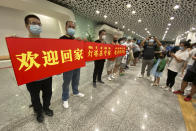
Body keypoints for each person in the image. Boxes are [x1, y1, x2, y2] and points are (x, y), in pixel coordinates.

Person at [0, 14, 54, 123]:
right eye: (33, 23)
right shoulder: (21, 43)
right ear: (27, 26)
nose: (37, 26)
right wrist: (14, 44)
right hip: (31, 78)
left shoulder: (47, 43)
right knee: (35, 97)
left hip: (47, 77)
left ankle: (46, 108)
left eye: (39, 24)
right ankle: (38, 112)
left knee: (48, 94)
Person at [60, 21, 85, 108]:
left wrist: (83, 42)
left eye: (73, 27)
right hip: (67, 65)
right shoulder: (61, 38)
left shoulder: (76, 39)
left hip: (77, 63)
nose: (71, 28)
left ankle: (75, 92)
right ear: (65, 27)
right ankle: (65, 98)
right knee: (66, 82)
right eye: (69, 26)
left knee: (76, 79)